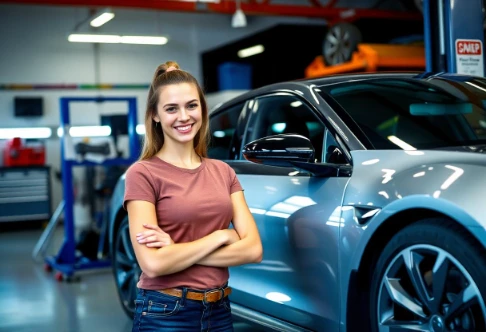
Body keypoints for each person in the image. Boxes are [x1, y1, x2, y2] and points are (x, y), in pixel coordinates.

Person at [123, 61, 263, 332]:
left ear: (202, 109)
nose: (184, 117)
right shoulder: (142, 174)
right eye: (171, 109)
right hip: (165, 311)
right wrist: (221, 237)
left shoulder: (223, 172)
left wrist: (174, 247)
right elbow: (153, 263)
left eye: (191, 105)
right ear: (155, 115)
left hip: (219, 310)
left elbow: (254, 250)